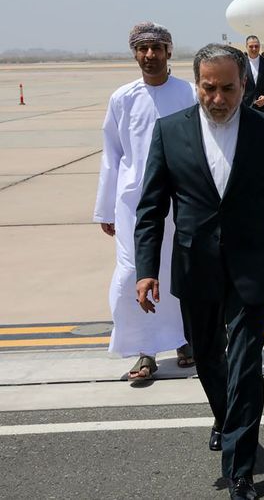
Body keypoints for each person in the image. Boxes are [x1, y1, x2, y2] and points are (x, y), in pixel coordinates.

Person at [135, 44, 264, 499]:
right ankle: (227, 419)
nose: (218, 98)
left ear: (243, 85)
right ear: (197, 85)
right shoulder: (170, 132)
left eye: (228, 88)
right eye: (209, 88)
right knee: (209, 358)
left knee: (246, 364)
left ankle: (240, 468)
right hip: (195, 265)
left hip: (251, 263)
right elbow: (151, 209)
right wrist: (145, 269)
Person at [93, 21, 196, 382]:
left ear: (170, 52)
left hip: (179, 202)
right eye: (142, 49)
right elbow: (112, 154)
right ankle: (144, 351)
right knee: (132, 276)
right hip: (132, 204)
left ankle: (184, 340)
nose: (149, 55)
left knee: (177, 273)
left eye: (156, 48)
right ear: (135, 53)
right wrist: (105, 208)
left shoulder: (189, 93)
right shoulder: (122, 98)